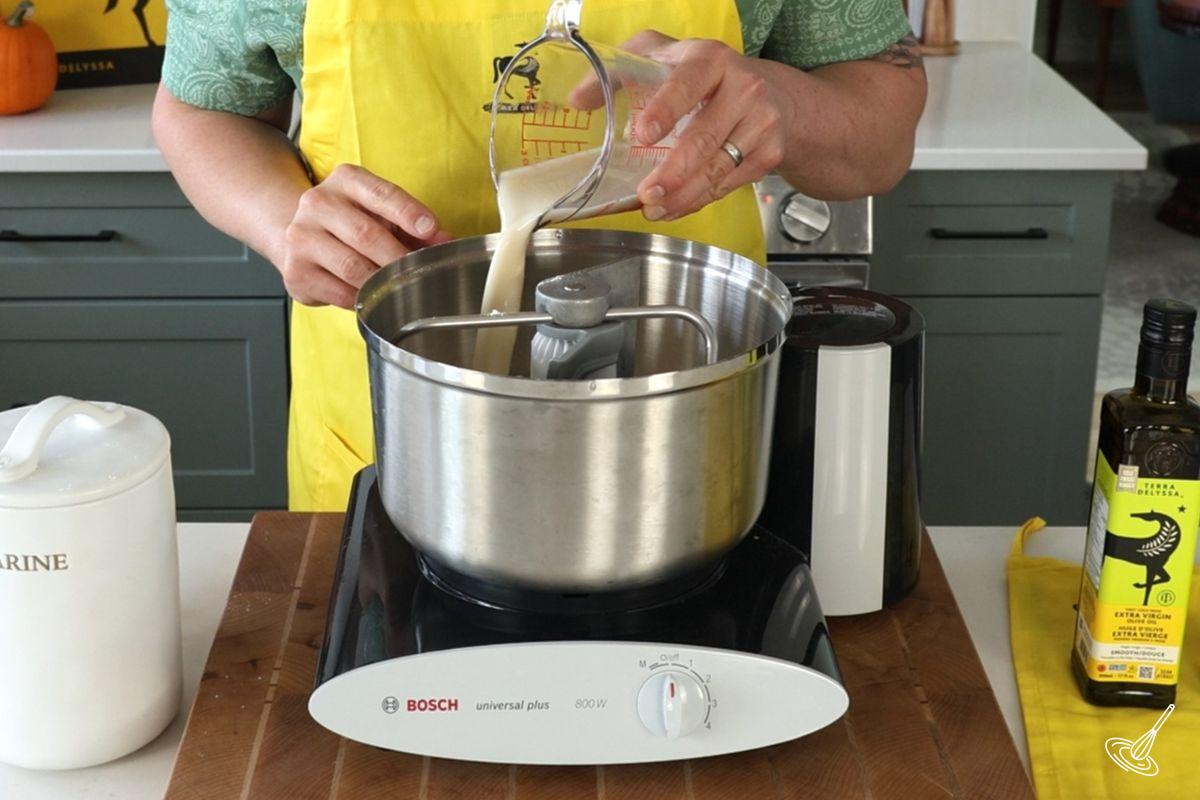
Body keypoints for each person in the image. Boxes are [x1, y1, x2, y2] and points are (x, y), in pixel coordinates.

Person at [154, 0, 927, 512]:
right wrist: (280, 217)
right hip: (389, 439)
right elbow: (199, 108)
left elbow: (882, 134)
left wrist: (781, 103)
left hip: (688, 438)